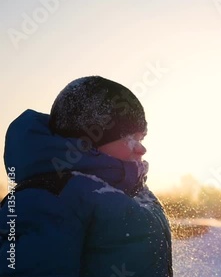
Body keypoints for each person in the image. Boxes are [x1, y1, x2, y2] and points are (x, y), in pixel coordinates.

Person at [0, 76, 173, 276]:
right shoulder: (53, 196)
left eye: (141, 137)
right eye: (129, 138)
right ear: (90, 141)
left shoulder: (134, 191)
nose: (142, 148)